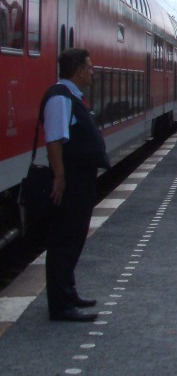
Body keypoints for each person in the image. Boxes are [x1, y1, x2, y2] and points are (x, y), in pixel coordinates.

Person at [41, 48, 110, 323]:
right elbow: (55, 139)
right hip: (69, 182)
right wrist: (59, 177)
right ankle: (60, 306)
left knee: (74, 238)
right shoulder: (59, 97)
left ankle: (69, 293)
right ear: (78, 70)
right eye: (90, 67)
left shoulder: (70, 96)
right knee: (64, 241)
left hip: (79, 180)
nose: (93, 72)